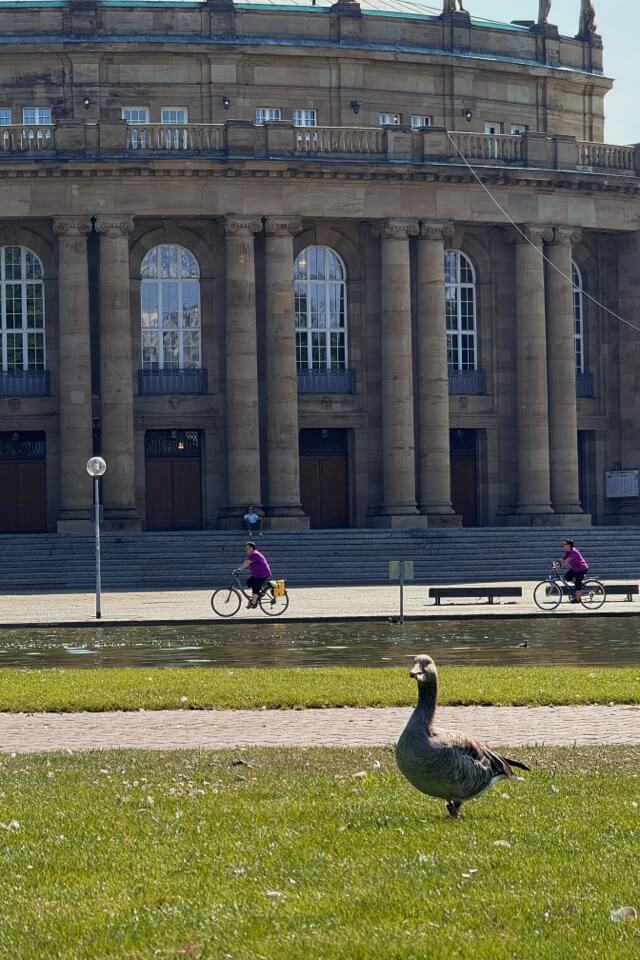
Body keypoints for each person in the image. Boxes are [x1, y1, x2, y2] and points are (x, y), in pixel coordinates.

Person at [236, 541, 272, 609]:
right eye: (246, 548)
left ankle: (253, 603)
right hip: (257, 574)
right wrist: (239, 569)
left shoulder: (255, 554)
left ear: (252, 548)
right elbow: (246, 562)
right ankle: (259, 593)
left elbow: (247, 563)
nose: (246, 550)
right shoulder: (252, 555)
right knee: (249, 582)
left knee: (255, 586)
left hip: (262, 574)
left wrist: (238, 569)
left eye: (248, 548)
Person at [558, 538, 589, 604]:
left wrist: (559, 566)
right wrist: (556, 563)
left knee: (578, 584)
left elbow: (566, 561)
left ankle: (577, 599)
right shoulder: (568, 552)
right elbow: (563, 559)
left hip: (581, 568)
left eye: (565, 544)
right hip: (575, 569)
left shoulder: (573, 552)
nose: (563, 545)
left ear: (569, 545)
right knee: (567, 576)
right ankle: (579, 586)